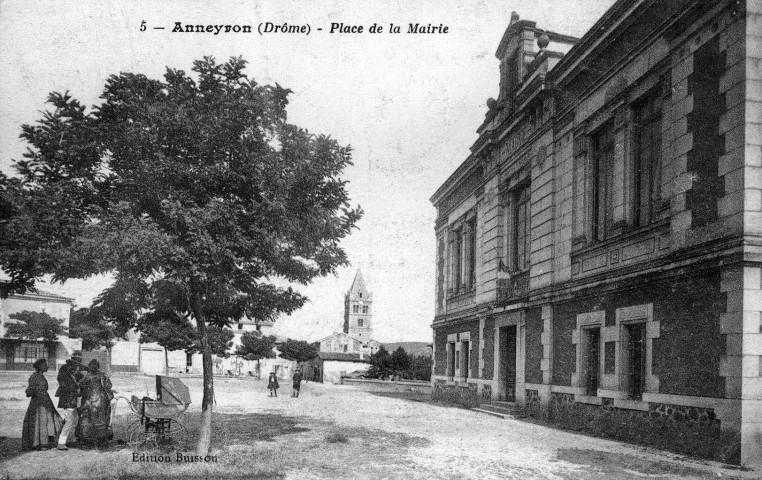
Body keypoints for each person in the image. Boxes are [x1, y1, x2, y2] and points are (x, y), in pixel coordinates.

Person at [21, 359, 63, 451]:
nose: (47, 366)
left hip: (45, 401)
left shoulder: (41, 376)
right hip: (37, 403)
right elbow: (29, 391)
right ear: (40, 367)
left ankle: (44, 443)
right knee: (39, 421)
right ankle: (37, 444)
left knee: (45, 421)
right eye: (45, 365)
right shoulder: (34, 377)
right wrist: (32, 392)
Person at [77, 360, 113, 448]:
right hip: (90, 400)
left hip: (100, 400)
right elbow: (80, 385)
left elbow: (109, 385)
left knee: (101, 420)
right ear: (89, 366)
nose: (93, 367)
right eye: (91, 366)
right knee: (89, 419)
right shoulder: (87, 376)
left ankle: (101, 440)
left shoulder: (102, 375)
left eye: (95, 366)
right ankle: (90, 440)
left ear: (97, 366)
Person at [55, 352, 84, 450]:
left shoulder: (72, 375)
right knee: (69, 420)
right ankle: (61, 443)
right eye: (76, 362)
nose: (77, 368)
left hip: (73, 400)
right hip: (68, 400)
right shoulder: (65, 373)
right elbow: (64, 383)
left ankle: (70, 440)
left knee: (74, 419)